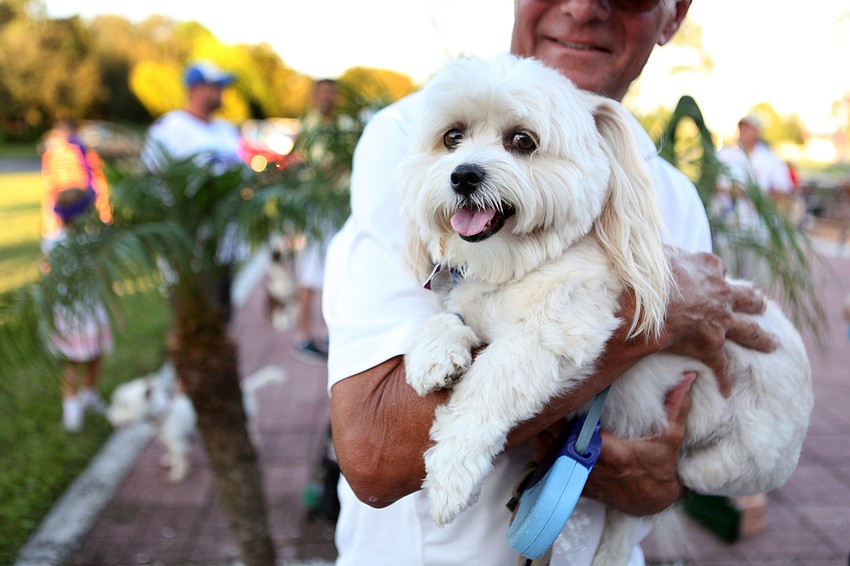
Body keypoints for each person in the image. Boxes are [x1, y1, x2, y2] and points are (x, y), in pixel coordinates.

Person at [323, 1, 777, 565]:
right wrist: (651, 310)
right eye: (457, 136)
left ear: (674, 14)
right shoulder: (405, 138)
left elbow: (680, 455)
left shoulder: (674, 196)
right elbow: (374, 456)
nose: (585, 7)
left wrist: (659, 482)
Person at [141, 60, 245, 321]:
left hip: (223, 245)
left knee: (222, 319)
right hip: (189, 250)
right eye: (216, 86)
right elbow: (147, 183)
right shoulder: (169, 130)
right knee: (194, 323)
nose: (222, 93)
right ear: (196, 89)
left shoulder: (226, 130)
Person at [45, 188, 114, 432]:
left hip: (78, 310)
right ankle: (77, 403)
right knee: (81, 359)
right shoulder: (82, 243)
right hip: (80, 312)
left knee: (82, 358)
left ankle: (82, 401)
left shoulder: (55, 241)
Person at [291, 79, 350, 363]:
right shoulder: (313, 125)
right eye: (323, 93)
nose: (327, 98)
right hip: (318, 209)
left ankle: (327, 329)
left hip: (334, 208)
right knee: (311, 272)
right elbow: (320, 165)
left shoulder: (338, 125)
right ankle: (303, 334)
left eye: (332, 93)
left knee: (331, 270)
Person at [715, 113, 795, 286]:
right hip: (729, 228)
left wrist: (758, 195)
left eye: (749, 128)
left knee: (756, 283)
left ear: (757, 131)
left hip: (758, 230)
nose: (744, 132)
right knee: (726, 281)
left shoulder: (769, 159)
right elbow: (713, 184)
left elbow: (784, 190)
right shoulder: (727, 155)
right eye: (742, 128)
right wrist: (733, 191)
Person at [40, 119, 111, 251]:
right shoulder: (53, 153)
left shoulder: (81, 149)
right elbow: (49, 183)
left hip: (79, 196)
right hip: (69, 198)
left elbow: (97, 175)